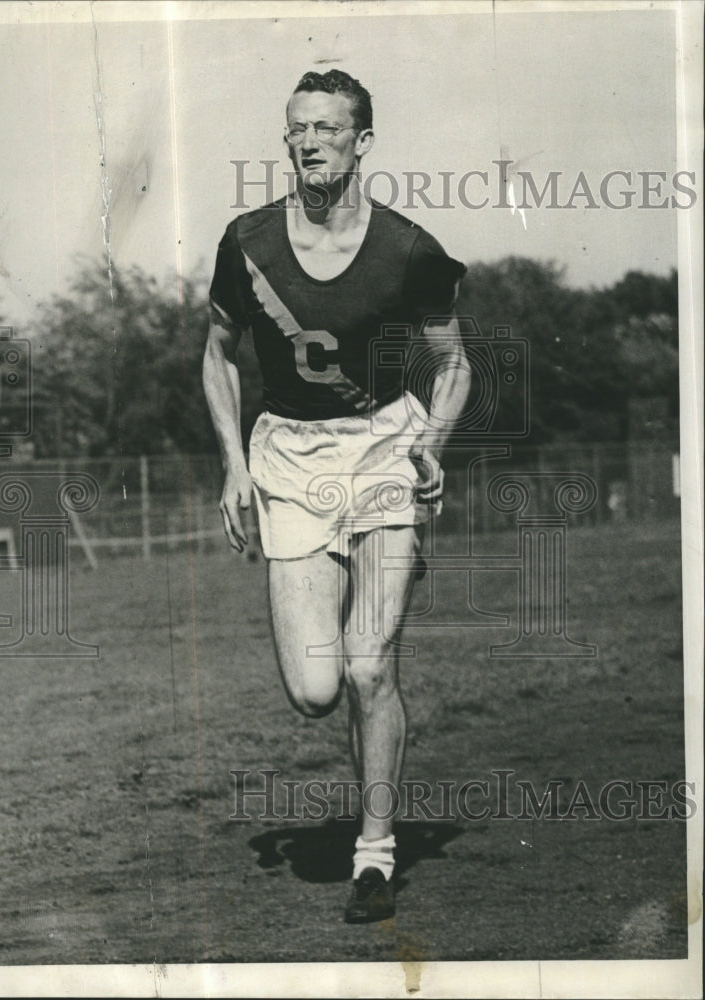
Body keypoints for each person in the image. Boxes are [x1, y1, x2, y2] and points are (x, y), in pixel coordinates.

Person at [203, 69, 470, 923]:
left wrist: (431, 440)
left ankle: (377, 853)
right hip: (288, 457)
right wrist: (234, 466)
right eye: (296, 129)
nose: (308, 141)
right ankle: (371, 713)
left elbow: (454, 364)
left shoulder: (408, 249)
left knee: (366, 666)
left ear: (362, 141)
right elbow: (216, 355)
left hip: (385, 448)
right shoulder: (246, 242)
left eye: (325, 127)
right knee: (316, 689)